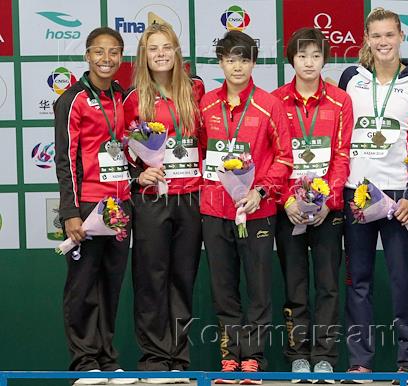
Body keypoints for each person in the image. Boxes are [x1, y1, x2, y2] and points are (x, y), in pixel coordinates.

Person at [338, 8, 408, 384]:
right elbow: (340, 134)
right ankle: (360, 362)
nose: (383, 42)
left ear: (400, 37)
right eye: (376, 35)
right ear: (366, 39)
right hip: (356, 193)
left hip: (399, 196)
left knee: (403, 280)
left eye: (389, 35)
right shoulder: (351, 77)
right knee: (358, 280)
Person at [198, 31, 293, 385]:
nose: (237, 66)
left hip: (258, 211)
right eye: (230, 59)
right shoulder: (206, 104)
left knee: (257, 288)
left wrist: (263, 191)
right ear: (220, 62)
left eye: (244, 59)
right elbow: (201, 151)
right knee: (223, 288)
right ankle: (229, 358)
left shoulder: (270, 105)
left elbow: (285, 157)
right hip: (215, 209)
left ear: (254, 62)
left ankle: (252, 358)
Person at [54, 27, 137, 385]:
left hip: (120, 206)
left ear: (122, 58)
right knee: (83, 285)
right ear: (87, 56)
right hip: (88, 204)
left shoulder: (123, 96)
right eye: (99, 52)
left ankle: (107, 360)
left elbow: (131, 147)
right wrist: (71, 212)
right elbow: (66, 159)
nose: (107, 59)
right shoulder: (72, 99)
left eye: (114, 52)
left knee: (110, 285)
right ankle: (83, 362)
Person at [123, 23, 204, 384]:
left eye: (166, 47)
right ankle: (154, 361)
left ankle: (178, 360)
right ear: (144, 55)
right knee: (151, 279)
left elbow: (208, 138)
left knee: (182, 279)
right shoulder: (134, 97)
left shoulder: (195, 90)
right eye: (153, 48)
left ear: (176, 52)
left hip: (191, 196)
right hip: (153, 200)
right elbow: (120, 149)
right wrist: (137, 175)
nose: (160, 54)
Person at [272, 27, 353, 382]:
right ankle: (297, 355)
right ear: (291, 59)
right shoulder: (274, 101)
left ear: (325, 59)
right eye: (302, 55)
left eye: (316, 56)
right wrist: (288, 198)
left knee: (328, 285)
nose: (309, 62)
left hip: (327, 211)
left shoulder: (339, 101)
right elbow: (273, 157)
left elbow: (341, 155)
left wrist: (326, 200)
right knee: (295, 285)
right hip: (287, 209)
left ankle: (325, 355)